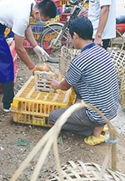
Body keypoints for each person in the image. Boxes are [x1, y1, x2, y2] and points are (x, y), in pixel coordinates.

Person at [48, 17, 119, 146]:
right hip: (111, 109)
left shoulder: (80, 60)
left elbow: (64, 86)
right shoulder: (101, 51)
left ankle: (91, 129)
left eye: (70, 36)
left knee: (53, 117)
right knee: (76, 81)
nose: (70, 39)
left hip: (97, 113)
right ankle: (98, 125)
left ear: (75, 35)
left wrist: (56, 85)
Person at [0, 0, 57, 112]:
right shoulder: (22, 17)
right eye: (44, 20)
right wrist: (32, 67)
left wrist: (35, 46)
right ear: (37, 12)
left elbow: (26, 27)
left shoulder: (31, 3)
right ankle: (8, 103)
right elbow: (19, 48)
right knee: (6, 62)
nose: (43, 22)